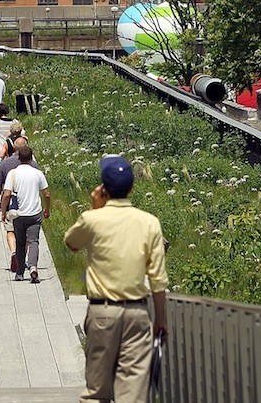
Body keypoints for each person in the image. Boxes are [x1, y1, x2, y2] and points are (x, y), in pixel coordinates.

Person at [64, 155, 169, 403]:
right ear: (131, 188)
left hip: (103, 312)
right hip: (137, 313)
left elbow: (71, 242)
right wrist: (161, 319)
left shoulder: (93, 220)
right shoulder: (149, 223)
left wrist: (93, 208)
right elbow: (157, 278)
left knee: (97, 391)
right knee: (132, 393)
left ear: (103, 188)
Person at [1, 146, 49, 283]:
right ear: (31, 158)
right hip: (34, 213)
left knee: (20, 243)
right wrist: (47, 209)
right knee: (33, 241)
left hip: (18, 214)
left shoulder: (13, 173)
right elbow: (46, 194)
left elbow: (7, 195)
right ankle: (33, 267)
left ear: (18, 158)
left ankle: (20, 273)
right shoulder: (38, 174)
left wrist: (3, 212)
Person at [0, 137, 37, 272]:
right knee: (24, 234)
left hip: (10, 203)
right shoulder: (34, 165)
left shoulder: (6, 163)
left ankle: (14, 252)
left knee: (10, 230)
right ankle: (21, 258)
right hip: (28, 204)